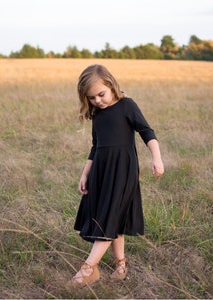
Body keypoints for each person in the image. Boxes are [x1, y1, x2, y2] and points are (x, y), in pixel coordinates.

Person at [70, 64, 164, 287]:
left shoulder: (126, 106)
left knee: (108, 218)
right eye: (91, 98)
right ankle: (121, 265)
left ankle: (88, 270)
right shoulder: (98, 115)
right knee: (113, 217)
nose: (97, 101)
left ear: (111, 85)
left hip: (123, 171)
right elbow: (96, 146)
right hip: (101, 173)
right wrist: (85, 174)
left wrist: (156, 158)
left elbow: (146, 131)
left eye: (101, 94)